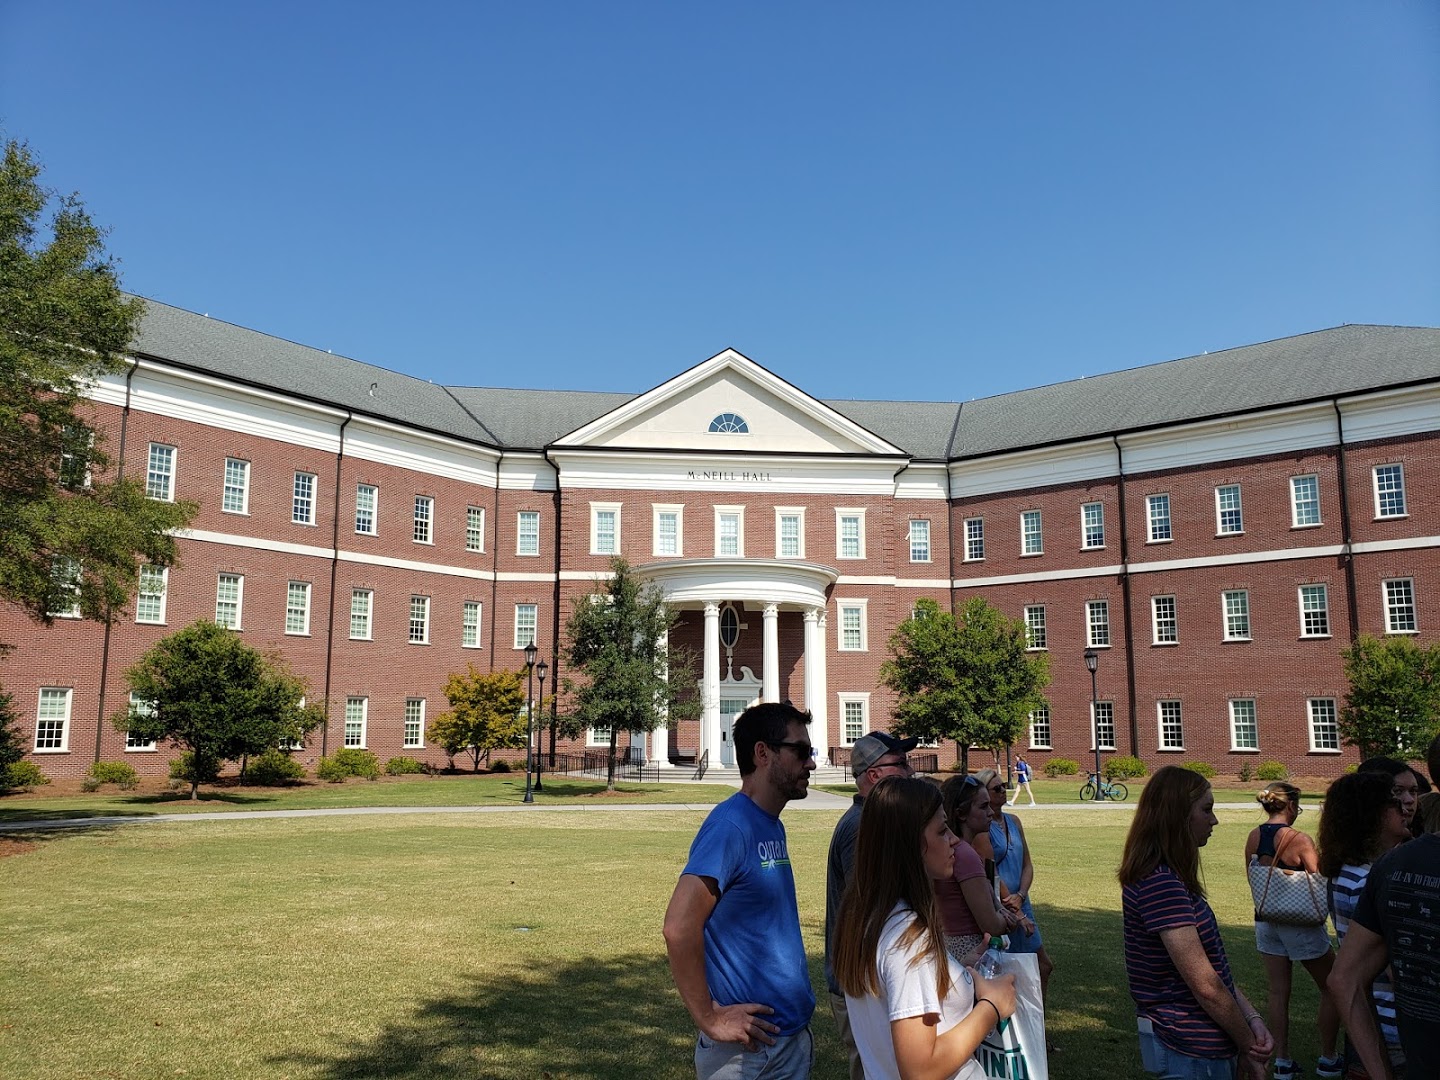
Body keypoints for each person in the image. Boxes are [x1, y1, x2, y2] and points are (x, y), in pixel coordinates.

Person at [663, 702, 818, 1079]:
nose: (811, 763)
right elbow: (679, 927)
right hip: (749, 1056)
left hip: (785, 1040)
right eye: (800, 752)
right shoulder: (730, 826)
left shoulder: (771, 823)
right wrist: (709, 1018)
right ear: (763, 753)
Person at [833, 775, 1018, 1080]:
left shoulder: (867, 916)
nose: (954, 840)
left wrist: (957, 971)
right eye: (942, 830)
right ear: (912, 844)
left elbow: (895, 997)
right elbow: (920, 1069)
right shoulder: (908, 936)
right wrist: (992, 1006)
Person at [1118, 765, 1274, 1079]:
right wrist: (1247, 1045)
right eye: (1206, 809)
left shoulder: (1171, 878)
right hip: (1189, 1051)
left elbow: (1214, 972)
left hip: (1202, 1048)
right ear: (1178, 816)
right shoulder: (1161, 883)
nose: (1214, 820)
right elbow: (1205, 985)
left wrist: (1252, 1018)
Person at [1330, 736, 1440, 1080]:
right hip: (1393, 1035)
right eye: (1397, 796)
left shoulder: (1391, 866)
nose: (1408, 803)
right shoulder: (1374, 873)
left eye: (1412, 792)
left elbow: (1344, 978)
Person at [825, 731, 919, 1080]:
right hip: (860, 984)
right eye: (901, 764)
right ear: (875, 775)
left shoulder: (876, 821)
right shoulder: (861, 827)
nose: (910, 771)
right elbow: (867, 908)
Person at [1317, 770, 1412, 1077]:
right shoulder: (1367, 881)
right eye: (1395, 800)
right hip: (1389, 1026)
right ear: (1372, 814)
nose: (1407, 806)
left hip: (1368, 1019)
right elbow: (1395, 968)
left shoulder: (1351, 871)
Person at [1243, 783, 1341, 1078]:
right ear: (1290, 806)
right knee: (1331, 985)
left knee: (1278, 990)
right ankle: (1328, 1057)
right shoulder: (1299, 839)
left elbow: (1251, 876)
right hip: (1300, 922)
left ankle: (1282, 1061)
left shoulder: (1254, 835)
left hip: (1265, 919)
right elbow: (1319, 876)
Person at [977, 768, 1054, 1013]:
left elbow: (1027, 863)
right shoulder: (982, 829)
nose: (1003, 791)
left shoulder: (1014, 821)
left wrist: (1021, 895)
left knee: (1043, 966)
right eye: (996, 788)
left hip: (1021, 901)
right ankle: (1018, 1023)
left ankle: (1037, 1024)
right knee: (1009, 970)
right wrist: (1013, 905)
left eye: (1003, 786)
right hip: (1002, 906)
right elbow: (989, 870)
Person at [936, 774, 1021, 967]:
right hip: (971, 949)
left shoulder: (947, 850)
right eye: (983, 807)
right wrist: (1009, 920)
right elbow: (990, 925)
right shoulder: (965, 855)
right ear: (961, 813)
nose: (990, 812)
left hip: (949, 946)